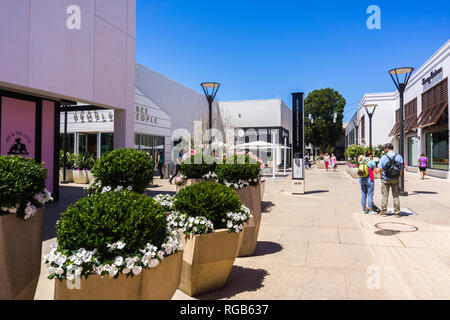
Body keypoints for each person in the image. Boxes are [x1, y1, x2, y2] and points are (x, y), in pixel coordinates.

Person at [375, 143, 404, 217]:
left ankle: (384, 212)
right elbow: (401, 169)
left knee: (385, 195)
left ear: (387, 148)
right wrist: (398, 177)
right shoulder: (399, 156)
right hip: (395, 179)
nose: (385, 150)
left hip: (385, 179)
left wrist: (381, 176)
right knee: (396, 196)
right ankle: (397, 213)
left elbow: (380, 169)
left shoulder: (383, 157)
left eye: (385, 148)